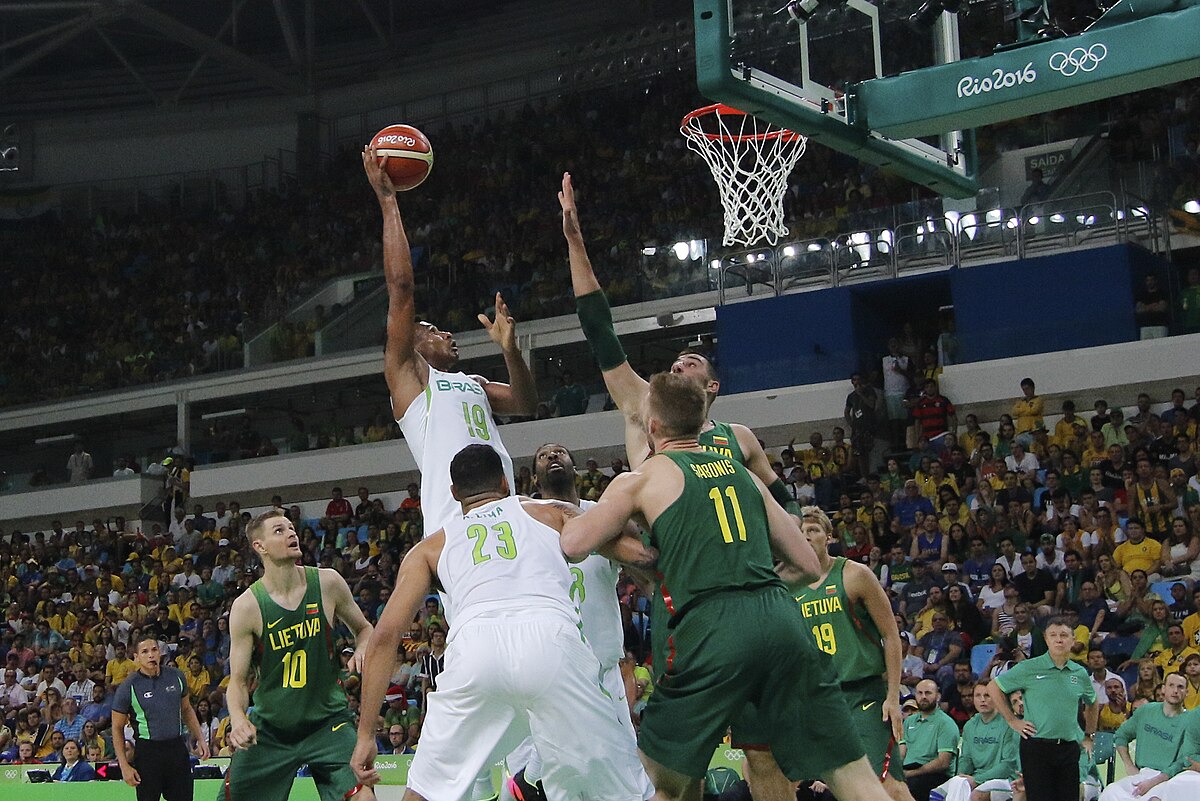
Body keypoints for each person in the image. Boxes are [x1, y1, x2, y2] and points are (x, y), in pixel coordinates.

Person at [557, 373, 893, 801]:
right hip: (780, 619)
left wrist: (617, 543)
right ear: (701, 424)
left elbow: (574, 544)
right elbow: (809, 566)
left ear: (653, 426)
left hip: (709, 626)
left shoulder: (641, 479)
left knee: (668, 782)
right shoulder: (743, 474)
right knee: (852, 774)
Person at [349, 444, 650, 801]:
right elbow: (631, 551)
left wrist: (365, 735)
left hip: (475, 650)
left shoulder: (430, 548)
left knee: (425, 790)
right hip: (552, 641)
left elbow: (385, 637)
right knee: (621, 790)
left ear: (454, 493)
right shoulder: (549, 512)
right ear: (506, 484)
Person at [557, 174, 790, 501]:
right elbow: (598, 329)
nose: (677, 366)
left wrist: (798, 521)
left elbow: (784, 500)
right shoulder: (644, 404)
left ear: (712, 386)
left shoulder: (739, 437)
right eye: (675, 364)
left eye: (691, 363)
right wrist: (574, 241)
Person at [363, 146, 537, 543]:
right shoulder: (410, 378)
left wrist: (510, 351)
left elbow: (526, 403)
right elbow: (401, 287)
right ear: (412, 344)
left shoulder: (473, 383)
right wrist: (388, 201)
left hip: (505, 514)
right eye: (434, 330)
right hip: (453, 525)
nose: (447, 334)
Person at [504, 443, 653, 801]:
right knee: (542, 786)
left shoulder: (604, 516)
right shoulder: (522, 520)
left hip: (601, 669)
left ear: (575, 468)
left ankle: (527, 782)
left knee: (623, 778)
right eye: (543, 455)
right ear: (534, 477)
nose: (553, 457)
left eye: (560, 452)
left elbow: (645, 573)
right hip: (545, 669)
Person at [221, 510, 374, 801]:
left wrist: (364, 646)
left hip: (328, 723)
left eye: (291, 528)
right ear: (260, 546)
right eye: (279, 530)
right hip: (271, 730)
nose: (291, 533)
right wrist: (239, 719)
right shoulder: (247, 607)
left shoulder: (327, 583)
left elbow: (364, 629)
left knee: (364, 797)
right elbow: (238, 682)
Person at [790, 506, 913, 801]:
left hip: (864, 694)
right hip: (820, 697)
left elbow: (891, 635)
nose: (806, 536)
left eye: (813, 530)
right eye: (800, 532)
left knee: (889, 786)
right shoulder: (787, 586)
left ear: (829, 537)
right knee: (844, 788)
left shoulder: (855, 575)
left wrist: (893, 697)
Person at [990, 616, 1100, 801]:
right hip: (1036, 748)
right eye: (1053, 635)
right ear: (1046, 639)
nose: (1059, 640)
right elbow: (994, 687)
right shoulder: (1029, 667)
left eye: (1064, 635)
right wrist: (1012, 720)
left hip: (1068, 747)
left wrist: (1089, 734)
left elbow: (1093, 702)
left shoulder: (1079, 672)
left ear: (1073, 640)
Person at [111, 637, 209, 801]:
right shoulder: (128, 686)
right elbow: (116, 727)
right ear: (136, 657)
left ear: (160, 653)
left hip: (176, 749)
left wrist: (201, 739)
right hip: (148, 753)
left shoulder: (176, 676)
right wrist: (124, 765)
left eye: (154, 650)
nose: (151, 655)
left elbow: (186, 709)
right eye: (145, 652)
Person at [1099, 671, 1190, 801]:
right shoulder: (1146, 711)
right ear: (1163, 689)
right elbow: (1121, 735)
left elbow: (1183, 761)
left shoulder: (1191, 722)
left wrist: (1154, 782)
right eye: (1171, 685)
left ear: (1187, 692)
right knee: (1110, 792)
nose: (1175, 691)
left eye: (1180, 687)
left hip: (1169, 779)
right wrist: (1129, 765)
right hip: (1141, 774)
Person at [931, 681, 1020, 801]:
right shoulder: (970, 725)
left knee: (974, 795)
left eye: (987, 695)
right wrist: (961, 776)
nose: (982, 700)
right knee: (938, 793)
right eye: (978, 695)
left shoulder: (1009, 724)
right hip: (975, 776)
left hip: (1005, 779)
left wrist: (977, 780)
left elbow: (1008, 765)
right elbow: (966, 758)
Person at [900, 679, 960, 801]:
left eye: (928, 693)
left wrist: (911, 773)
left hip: (934, 776)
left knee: (912, 787)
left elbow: (943, 763)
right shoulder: (908, 722)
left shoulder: (946, 723)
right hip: (908, 772)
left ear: (938, 696)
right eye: (919, 693)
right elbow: (901, 754)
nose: (923, 697)